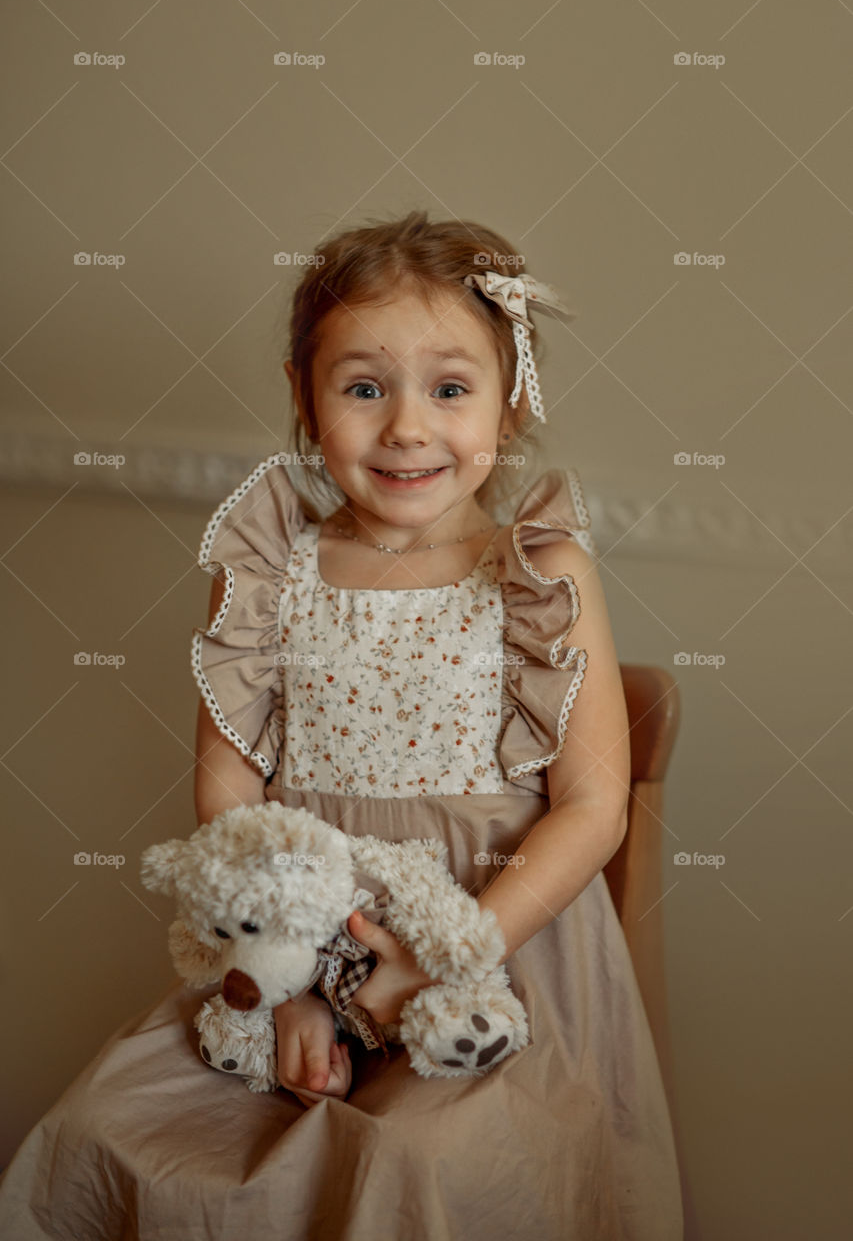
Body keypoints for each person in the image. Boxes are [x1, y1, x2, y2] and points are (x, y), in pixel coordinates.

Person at [0, 210, 684, 1239]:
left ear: (511, 399)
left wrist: (449, 957)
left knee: (419, 1162)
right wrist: (290, 988)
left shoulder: (539, 572)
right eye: (364, 387)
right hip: (295, 942)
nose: (407, 426)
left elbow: (591, 807)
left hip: (496, 957)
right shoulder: (271, 574)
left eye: (450, 389)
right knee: (106, 1122)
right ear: (303, 398)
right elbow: (229, 797)